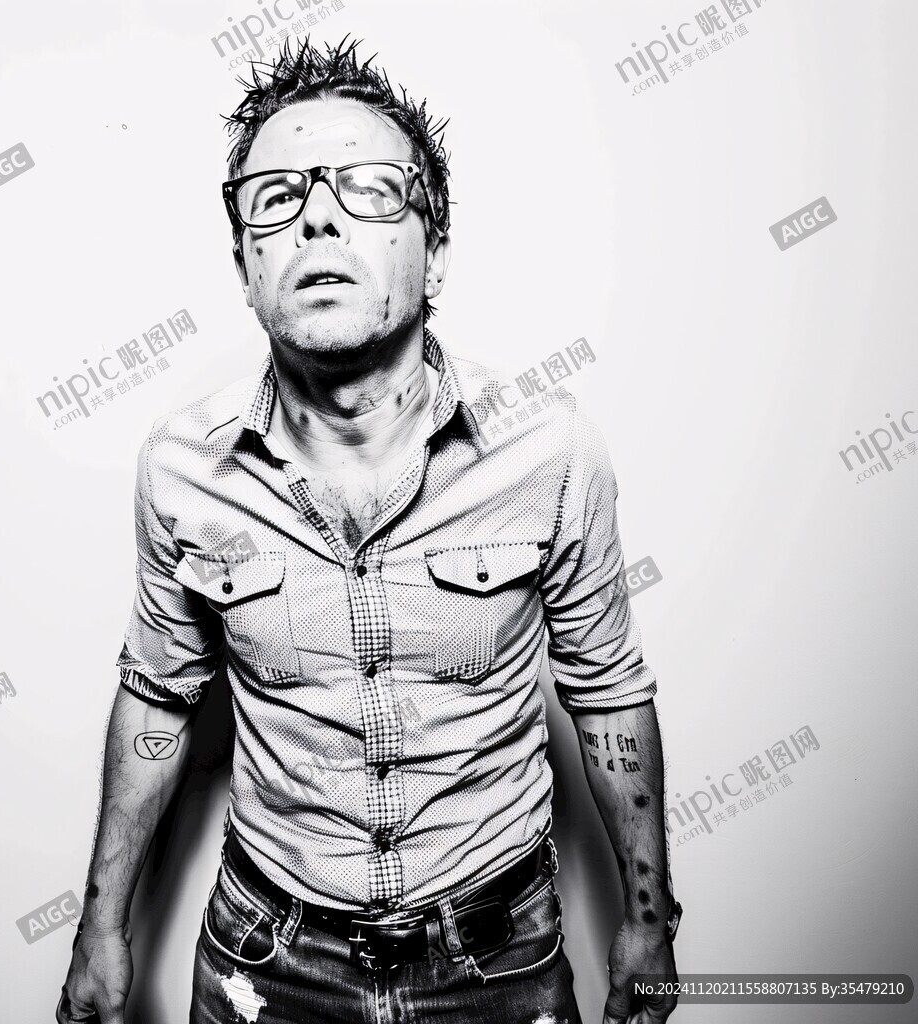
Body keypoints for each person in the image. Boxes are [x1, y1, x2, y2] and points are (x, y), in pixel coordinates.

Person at [57, 35, 680, 1024]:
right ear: (245, 265)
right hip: (265, 961)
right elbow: (157, 701)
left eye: (369, 190)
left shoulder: (550, 450)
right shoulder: (181, 471)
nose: (316, 216)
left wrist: (647, 920)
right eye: (276, 196)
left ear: (436, 254)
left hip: (500, 960)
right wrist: (100, 925)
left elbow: (605, 693)